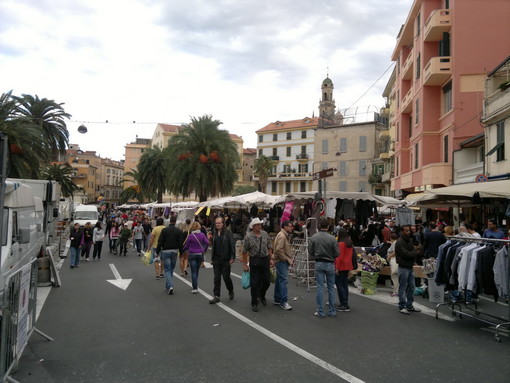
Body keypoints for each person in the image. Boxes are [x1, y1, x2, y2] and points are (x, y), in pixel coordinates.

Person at [308, 218, 339, 318]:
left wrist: (315, 255)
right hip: (330, 263)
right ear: (328, 227)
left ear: (319, 226)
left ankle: (320, 311)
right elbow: (337, 253)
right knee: (331, 288)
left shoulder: (314, 237)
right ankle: (332, 311)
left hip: (319, 262)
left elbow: (310, 251)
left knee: (320, 287)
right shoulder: (332, 238)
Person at [242, 217, 273, 312]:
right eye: (258, 225)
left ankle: (262, 294)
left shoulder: (265, 234)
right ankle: (254, 303)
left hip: (265, 260)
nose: (260, 226)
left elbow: (269, 246)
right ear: (253, 226)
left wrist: (271, 258)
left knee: (267, 281)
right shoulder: (248, 236)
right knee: (254, 283)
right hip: (254, 260)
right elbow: (244, 251)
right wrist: (245, 264)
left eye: (260, 224)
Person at [208, 216, 236, 304]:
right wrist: (212, 258)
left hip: (225, 258)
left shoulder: (228, 233)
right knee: (216, 278)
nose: (217, 225)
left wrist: (232, 257)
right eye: (216, 223)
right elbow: (213, 246)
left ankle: (230, 290)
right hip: (216, 258)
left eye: (219, 223)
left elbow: (232, 245)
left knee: (226, 276)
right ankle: (216, 296)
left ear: (223, 224)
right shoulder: (214, 232)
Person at [395, 225, 421, 315]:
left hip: (409, 267)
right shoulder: (400, 242)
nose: (408, 232)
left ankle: (409, 305)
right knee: (403, 287)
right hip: (403, 267)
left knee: (412, 287)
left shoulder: (409, 240)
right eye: (406, 231)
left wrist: (414, 251)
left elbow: (411, 252)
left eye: (409, 231)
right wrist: (414, 251)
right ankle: (402, 306)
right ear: (402, 231)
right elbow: (406, 254)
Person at [156, 215, 184, 295]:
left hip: (165, 251)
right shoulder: (179, 231)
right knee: (171, 269)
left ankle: (170, 285)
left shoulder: (165, 230)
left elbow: (160, 242)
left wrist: (157, 252)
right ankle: (168, 286)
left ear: (169, 221)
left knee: (167, 269)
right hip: (174, 251)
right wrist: (181, 252)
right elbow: (180, 243)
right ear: (175, 222)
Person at [182, 221, 209, 293]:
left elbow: (186, 246)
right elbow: (207, 243)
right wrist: (204, 250)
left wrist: (182, 250)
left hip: (192, 254)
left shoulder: (190, 236)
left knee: (193, 271)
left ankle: (195, 287)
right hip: (200, 254)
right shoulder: (202, 235)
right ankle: (195, 283)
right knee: (197, 270)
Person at [273, 220, 294, 310]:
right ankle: (283, 301)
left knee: (279, 279)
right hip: (281, 261)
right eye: (290, 226)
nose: (291, 228)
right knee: (283, 281)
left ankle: (277, 298)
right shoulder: (282, 236)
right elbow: (278, 249)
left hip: (280, 260)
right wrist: (284, 258)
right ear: (285, 227)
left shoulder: (283, 235)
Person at [335, 229, 355, 312]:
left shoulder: (341, 244)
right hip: (348, 265)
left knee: (339, 284)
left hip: (342, 265)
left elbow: (340, 257)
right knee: (344, 284)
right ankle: (345, 302)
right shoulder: (349, 243)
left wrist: (337, 267)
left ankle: (344, 303)